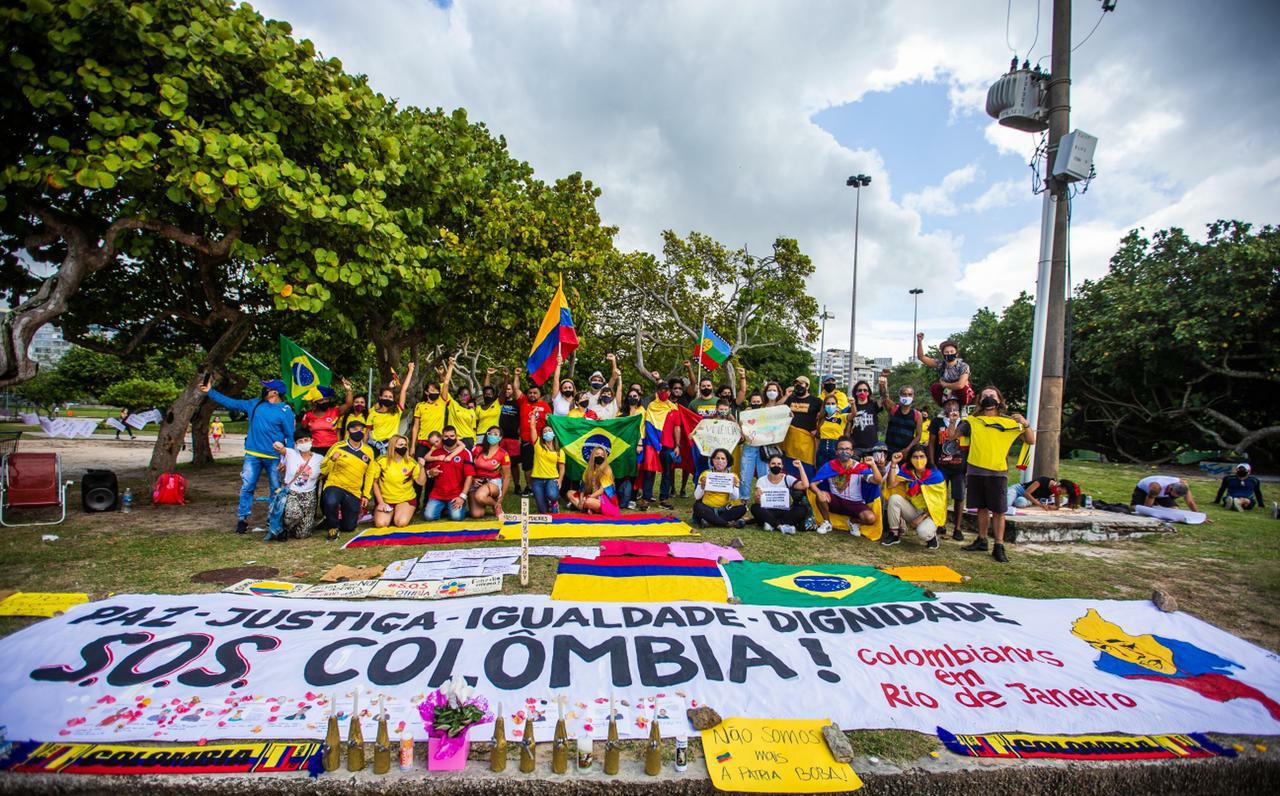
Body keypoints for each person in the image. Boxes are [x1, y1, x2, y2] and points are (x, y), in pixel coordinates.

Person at [201, 377, 296, 535]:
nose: (264, 390)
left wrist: (287, 458)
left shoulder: (285, 410)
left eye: (267, 388)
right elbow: (232, 403)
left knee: (276, 490)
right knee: (247, 487)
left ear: (275, 392)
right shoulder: (255, 404)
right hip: (252, 455)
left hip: (274, 457)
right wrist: (210, 391)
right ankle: (242, 519)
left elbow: (290, 436)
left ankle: (272, 519)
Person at [959, 386, 1035, 563]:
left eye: (992, 396)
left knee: (999, 510)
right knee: (981, 507)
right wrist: (957, 421)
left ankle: (999, 545)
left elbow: (1030, 440)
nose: (988, 399)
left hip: (997, 472)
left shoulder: (1009, 422)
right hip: (975, 469)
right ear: (979, 401)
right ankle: (982, 539)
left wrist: (1026, 423)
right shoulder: (973, 421)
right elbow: (954, 435)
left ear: (999, 400)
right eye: (985, 396)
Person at [318, 419, 376, 541]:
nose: (358, 432)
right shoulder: (338, 446)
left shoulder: (368, 451)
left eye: (361, 429)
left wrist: (365, 495)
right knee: (331, 502)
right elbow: (323, 470)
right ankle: (332, 527)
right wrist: (332, 460)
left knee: (349, 527)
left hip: (354, 491)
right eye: (355, 429)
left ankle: (330, 518)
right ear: (348, 431)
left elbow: (370, 474)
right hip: (335, 485)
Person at [811, 438, 882, 535]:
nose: (844, 452)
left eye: (847, 449)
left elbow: (878, 481)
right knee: (821, 496)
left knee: (870, 518)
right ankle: (827, 523)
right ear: (836, 452)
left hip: (855, 503)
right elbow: (812, 484)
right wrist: (819, 493)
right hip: (836, 500)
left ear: (852, 452)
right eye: (841, 449)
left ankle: (853, 522)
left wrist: (873, 465)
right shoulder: (830, 466)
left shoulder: (859, 468)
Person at [884, 444, 945, 549]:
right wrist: (893, 464)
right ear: (910, 459)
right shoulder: (907, 471)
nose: (918, 460)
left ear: (927, 458)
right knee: (894, 498)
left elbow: (939, 505)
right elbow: (890, 485)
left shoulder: (936, 476)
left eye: (921, 456)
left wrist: (922, 518)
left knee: (923, 532)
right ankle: (894, 534)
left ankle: (931, 537)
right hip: (913, 509)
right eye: (915, 457)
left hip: (930, 513)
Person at [267, 429, 322, 541]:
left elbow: (325, 472)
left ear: (311, 440)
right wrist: (278, 445)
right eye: (300, 441)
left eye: (306, 440)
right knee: (294, 514)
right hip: (292, 493)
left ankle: (293, 528)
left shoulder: (319, 459)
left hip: (309, 496)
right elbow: (280, 449)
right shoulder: (291, 453)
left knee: (303, 535)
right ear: (296, 444)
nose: (303, 443)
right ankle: (282, 528)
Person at [929, 395, 968, 540]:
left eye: (955, 403)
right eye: (948, 403)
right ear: (943, 406)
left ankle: (958, 528)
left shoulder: (965, 423)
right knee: (941, 496)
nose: (951, 406)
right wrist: (932, 461)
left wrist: (968, 465)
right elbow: (932, 442)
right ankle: (941, 523)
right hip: (941, 465)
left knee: (959, 496)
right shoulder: (937, 422)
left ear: (959, 406)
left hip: (959, 466)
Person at [369, 434, 426, 528]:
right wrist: (381, 503)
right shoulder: (380, 461)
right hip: (386, 500)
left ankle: (400, 512)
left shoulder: (411, 463)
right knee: (381, 524)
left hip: (405, 499)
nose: (403, 447)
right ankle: (391, 513)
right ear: (392, 446)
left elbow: (421, 482)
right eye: (400, 445)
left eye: (405, 445)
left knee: (401, 523)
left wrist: (422, 467)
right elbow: (374, 483)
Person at [640, 380, 681, 509]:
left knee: (667, 472)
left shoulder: (674, 407)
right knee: (649, 471)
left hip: (668, 444)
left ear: (670, 392)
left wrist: (678, 445)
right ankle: (646, 499)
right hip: (652, 443)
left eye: (667, 390)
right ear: (657, 392)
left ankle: (664, 499)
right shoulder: (651, 406)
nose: (665, 393)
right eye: (662, 390)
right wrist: (656, 444)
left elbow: (677, 427)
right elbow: (648, 425)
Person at [423, 425, 475, 521]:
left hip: (456, 494)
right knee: (428, 516)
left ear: (456, 437)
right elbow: (427, 471)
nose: (449, 438)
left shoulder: (465, 452)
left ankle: (454, 507)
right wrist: (430, 472)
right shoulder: (436, 452)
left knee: (456, 517)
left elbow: (469, 476)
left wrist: (462, 497)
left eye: (452, 436)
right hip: (438, 494)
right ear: (442, 437)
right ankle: (444, 508)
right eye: (446, 436)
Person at [514, 368, 551, 498]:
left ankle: (542, 487)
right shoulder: (523, 402)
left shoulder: (546, 406)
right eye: (530, 393)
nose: (532, 395)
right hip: (526, 441)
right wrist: (516, 376)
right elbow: (516, 390)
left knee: (541, 465)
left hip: (541, 441)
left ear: (539, 394)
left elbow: (550, 423)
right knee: (528, 466)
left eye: (535, 393)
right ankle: (529, 487)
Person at [751, 454, 811, 534]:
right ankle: (780, 526)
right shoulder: (762, 480)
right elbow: (758, 502)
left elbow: (805, 485)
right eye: (773, 464)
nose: (776, 466)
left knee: (802, 510)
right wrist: (758, 497)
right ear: (769, 465)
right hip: (768, 510)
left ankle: (771, 524)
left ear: (782, 466)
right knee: (755, 508)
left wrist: (800, 467)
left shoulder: (787, 478)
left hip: (784, 511)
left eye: (779, 464)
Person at [410, 357, 455, 457]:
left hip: (437, 442)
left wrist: (451, 366)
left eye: (436, 391)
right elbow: (415, 427)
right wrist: (412, 446)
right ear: (426, 392)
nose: (435, 393)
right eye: (432, 390)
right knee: (420, 468)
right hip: (422, 442)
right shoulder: (420, 406)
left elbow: (446, 383)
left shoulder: (442, 401)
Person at [367, 364, 413, 457]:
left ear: (393, 399)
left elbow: (403, 390)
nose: (388, 398)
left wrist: (410, 371)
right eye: (385, 396)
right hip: (374, 445)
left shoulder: (397, 411)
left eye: (390, 397)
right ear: (380, 397)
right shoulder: (373, 412)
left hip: (391, 446)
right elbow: (367, 432)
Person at [693, 448, 746, 528]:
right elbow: (697, 497)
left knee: (742, 508)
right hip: (708, 507)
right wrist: (702, 486)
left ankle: (711, 522)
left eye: (723, 458)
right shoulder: (706, 474)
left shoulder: (733, 476)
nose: (720, 461)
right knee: (697, 506)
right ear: (713, 460)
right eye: (717, 458)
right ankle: (725, 523)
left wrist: (733, 486)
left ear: (727, 461)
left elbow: (735, 497)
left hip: (724, 509)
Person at [916, 334, 974, 407]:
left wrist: (945, 385)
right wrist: (919, 342)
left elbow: (960, 385)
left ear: (957, 353)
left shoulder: (963, 366)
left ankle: (963, 407)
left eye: (952, 351)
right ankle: (944, 407)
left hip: (960, 391)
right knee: (935, 387)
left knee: (963, 388)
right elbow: (921, 357)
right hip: (947, 391)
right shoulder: (941, 364)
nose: (949, 353)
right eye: (946, 352)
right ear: (943, 354)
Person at [469, 426, 512, 519]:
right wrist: (472, 479)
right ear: (486, 435)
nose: (492, 436)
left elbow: (507, 477)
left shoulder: (503, 454)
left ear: (500, 437)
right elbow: (468, 466)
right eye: (490, 434)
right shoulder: (477, 449)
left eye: (496, 434)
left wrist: (501, 497)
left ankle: (496, 505)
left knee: (480, 496)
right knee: (477, 514)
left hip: (493, 482)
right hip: (476, 482)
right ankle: (492, 503)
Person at [879, 370, 923, 460]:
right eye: (904, 394)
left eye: (909, 394)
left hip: (905, 453)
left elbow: (918, 436)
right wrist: (883, 381)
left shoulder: (917, 415)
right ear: (900, 395)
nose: (907, 397)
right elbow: (884, 396)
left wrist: (907, 449)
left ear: (913, 397)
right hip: (889, 451)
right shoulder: (893, 409)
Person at [495, 370, 525, 495]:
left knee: (513, 464)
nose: (507, 391)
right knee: (499, 463)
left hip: (513, 437)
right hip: (500, 438)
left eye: (509, 389)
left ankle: (517, 485)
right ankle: (499, 485)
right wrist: (506, 377)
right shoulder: (499, 401)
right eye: (505, 389)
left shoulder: (517, 403)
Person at [568, 444, 620, 516]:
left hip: (604, 499)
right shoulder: (588, 469)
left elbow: (602, 491)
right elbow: (582, 488)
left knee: (589, 501)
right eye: (597, 454)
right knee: (570, 493)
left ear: (605, 457)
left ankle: (586, 507)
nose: (600, 456)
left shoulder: (607, 470)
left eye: (602, 455)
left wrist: (588, 497)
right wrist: (580, 500)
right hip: (591, 495)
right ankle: (586, 507)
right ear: (593, 456)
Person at [783, 375, 822, 468]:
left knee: (806, 467)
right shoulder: (790, 399)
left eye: (801, 384)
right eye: (796, 384)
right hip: (790, 440)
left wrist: (818, 429)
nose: (798, 386)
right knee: (790, 468)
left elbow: (824, 416)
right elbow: (777, 409)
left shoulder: (816, 401)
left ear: (807, 386)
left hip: (807, 441)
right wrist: (786, 395)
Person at [737, 391, 768, 500]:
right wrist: (744, 416)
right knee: (745, 474)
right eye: (754, 402)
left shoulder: (767, 413)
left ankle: (764, 498)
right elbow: (741, 430)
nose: (756, 403)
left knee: (764, 475)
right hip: (749, 447)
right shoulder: (745, 414)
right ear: (750, 402)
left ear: (762, 402)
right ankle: (744, 498)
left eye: (758, 401)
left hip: (763, 448)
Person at [300, 384, 344, 456]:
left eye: (326, 399)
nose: (324, 402)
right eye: (321, 400)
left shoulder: (334, 411)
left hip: (332, 448)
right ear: (315, 402)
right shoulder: (308, 415)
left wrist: (349, 390)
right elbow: (303, 431)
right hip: (315, 448)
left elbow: (348, 404)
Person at [530, 425, 566, 513]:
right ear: (542, 435)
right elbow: (532, 427)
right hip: (537, 479)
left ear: (553, 434)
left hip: (552, 478)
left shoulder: (560, 451)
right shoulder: (537, 444)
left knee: (552, 495)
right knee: (543, 511)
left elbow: (562, 467)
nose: (547, 432)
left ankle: (554, 502)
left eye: (549, 430)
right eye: (544, 431)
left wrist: (560, 480)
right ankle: (546, 503)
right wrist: (533, 416)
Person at [1131, 475, 1202, 512]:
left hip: (1163, 493)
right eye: (1174, 495)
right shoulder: (1156, 487)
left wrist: (1198, 516)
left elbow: (1190, 502)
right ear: (1170, 488)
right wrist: (1148, 511)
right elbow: (1148, 507)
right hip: (1144, 490)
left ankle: (1157, 504)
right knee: (1136, 508)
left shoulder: (1184, 485)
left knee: (1174, 510)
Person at [846, 380, 881, 453]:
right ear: (856, 393)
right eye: (860, 390)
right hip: (856, 448)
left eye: (865, 390)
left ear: (868, 393)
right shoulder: (851, 409)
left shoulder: (874, 405)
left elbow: (884, 397)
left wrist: (883, 384)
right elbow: (848, 430)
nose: (862, 392)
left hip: (873, 447)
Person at [816, 392, 848, 469]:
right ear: (824, 406)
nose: (830, 405)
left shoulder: (841, 417)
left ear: (837, 405)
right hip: (822, 450)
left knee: (836, 475)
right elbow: (817, 438)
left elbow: (853, 414)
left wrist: (853, 404)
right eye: (828, 403)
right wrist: (815, 457)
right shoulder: (821, 419)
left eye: (833, 403)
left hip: (836, 449)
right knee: (822, 475)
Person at [585, 354, 623, 418]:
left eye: (599, 380)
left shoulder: (604, 390)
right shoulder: (585, 396)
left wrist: (613, 361)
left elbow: (614, 377)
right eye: (595, 380)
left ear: (602, 383)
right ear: (590, 381)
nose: (597, 382)